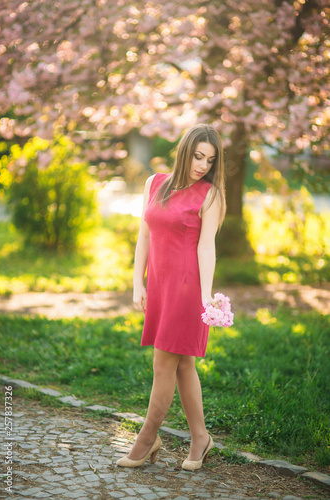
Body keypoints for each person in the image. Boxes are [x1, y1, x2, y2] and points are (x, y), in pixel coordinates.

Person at [116, 123, 226, 471]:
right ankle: (200, 437)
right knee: (183, 365)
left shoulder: (210, 194)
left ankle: (148, 439)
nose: (203, 165)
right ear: (184, 151)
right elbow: (144, 236)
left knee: (164, 364)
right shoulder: (155, 183)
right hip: (160, 284)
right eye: (198, 156)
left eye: (210, 160)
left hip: (187, 288)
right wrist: (138, 283)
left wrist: (206, 294)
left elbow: (207, 246)